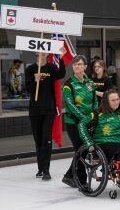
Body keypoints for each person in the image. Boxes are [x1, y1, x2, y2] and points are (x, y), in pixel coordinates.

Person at [25, 50, 66, 181]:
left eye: (44, 54)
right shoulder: (30, 69)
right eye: (40, 54)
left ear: (48, 55)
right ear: (36, 54)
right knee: (38, 140)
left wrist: (61, 58)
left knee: (46, 139)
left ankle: (46, 170)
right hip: (35, 110)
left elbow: (61, 74)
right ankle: (40, 168)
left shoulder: (51, 68)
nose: (42, 56)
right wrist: (35, 81)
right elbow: (28, 89)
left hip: (49, 109)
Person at [62, 55, 97, 188]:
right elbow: (70, 105)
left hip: (88, 121)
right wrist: (83, 118)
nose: (77, 66)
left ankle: (69, 176)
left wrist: (94, 115)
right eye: (75, 64)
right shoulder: (68, 84)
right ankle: (81, 181)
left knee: (82, 150)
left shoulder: (90, 83)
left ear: (85, 67)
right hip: (74, 122)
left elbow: (95, 102)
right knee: (81, 149)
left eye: (80, 64)